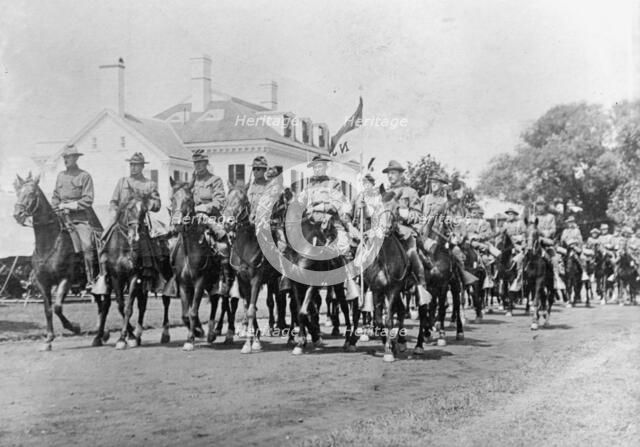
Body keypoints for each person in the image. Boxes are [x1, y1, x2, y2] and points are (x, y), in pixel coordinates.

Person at [100, 152, 162, 284]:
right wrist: (113, 211)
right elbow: (113, 201)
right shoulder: (122, 182)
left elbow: (157, 205)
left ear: (142, 167)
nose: (133, 167)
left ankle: (151, 275)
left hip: (139, 221)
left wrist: (147, 204)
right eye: (131, 165)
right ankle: (102, 273)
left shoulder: (149, 184)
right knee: (104, 238)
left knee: (151, 247)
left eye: (136, 165)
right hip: (121, 220)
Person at [51, 144, 102, 290]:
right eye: (64, 157)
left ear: (75, 158)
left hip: (79, 219)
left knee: (87, 246)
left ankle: (91, 279)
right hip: (61, 217)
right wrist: (56, 207)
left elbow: (88, 200)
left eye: (68, 157)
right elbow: (55, 196)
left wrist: (68, 205)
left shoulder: (84, 176)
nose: (65, 160)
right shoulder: (60, 176)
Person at [381, 160, 430, 297]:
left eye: (393, 173)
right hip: (387, 230)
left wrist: (405, 214)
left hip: (405, 231)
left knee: (413, 253)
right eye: (388, 174)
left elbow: (418, 215)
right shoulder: (385, 194)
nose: (390, 176)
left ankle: (420, 284)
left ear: (401, 174)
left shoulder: (410, 192)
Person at [295, 154, 353, 258]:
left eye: (320, 166)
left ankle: (348, 272)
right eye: (315, 167)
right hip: (311, 222)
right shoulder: (309, 186)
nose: (317, 169)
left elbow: (335, 205)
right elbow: (299, 202)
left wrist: (317, 208)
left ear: (325, 167)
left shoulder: (333, 184)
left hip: (329, 222)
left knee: (344, 246)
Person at [189, 149, 231, 293]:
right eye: (195, 163)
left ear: (206, 163)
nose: (198, 165)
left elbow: (219, 201)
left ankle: (223, 280)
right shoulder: (192, 181)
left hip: (210, 217)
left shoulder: (215, 180)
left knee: (222, 246)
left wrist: (204, 208)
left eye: (200, 162)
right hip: (192, 218)